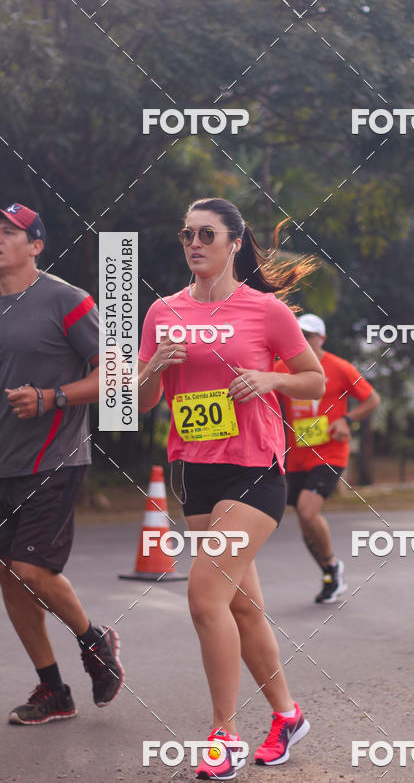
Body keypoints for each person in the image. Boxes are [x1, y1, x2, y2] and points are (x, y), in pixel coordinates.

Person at [137, 197, 325, 780]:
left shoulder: (265, 310)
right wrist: (151, 371)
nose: (194, 243)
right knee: (242, 607)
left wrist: (269, 376)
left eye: (207, 234)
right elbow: (140, 406)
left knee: (204, 598)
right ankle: (288, 715)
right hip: (193, 469)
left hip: (253, 467)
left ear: (234, 243)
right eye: (187, 234)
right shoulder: (161, 312)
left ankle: (224, 735)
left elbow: (314, 383)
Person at [0, 203, 123, 725]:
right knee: (9, 576)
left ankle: (95, 641)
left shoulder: (66, 300)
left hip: (54, 457)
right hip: (3, 462)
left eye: (8, 232)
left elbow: (114, 372)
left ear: (36, 245)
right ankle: (54, 690)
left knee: (31, 568)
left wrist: (51, 397)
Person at [275, 314, 380, 604]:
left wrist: (347, 419)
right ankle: (330, 571)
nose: (303, 340)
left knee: (309, 512)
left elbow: (372, 400)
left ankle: (332, 564)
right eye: (298, 335)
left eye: (309, 336)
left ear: (321, 339)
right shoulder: (282, 368)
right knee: (305, 524)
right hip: (296, 456)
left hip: (330, 452)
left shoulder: (339, 367)